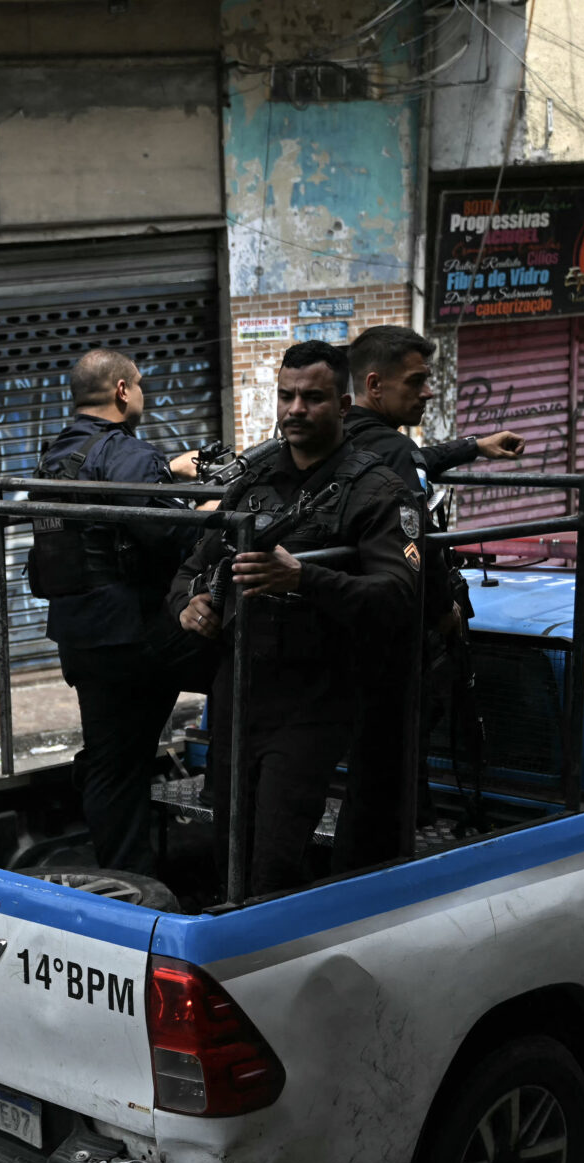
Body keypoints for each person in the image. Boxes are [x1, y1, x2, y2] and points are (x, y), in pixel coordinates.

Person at [169, 341, 418, 895]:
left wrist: (304, 578)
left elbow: (398, 596)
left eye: (313, 398)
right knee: (228, 854)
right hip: (237, 694)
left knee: (274, 860)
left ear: (345, 405)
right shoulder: (251, 483)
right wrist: (190, 604)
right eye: (287, 396)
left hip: (315, 698)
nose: (295, 410)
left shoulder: (377, 490)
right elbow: (191, 567)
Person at [331, 323, 524, 868]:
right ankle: (379, 870)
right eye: (417, 382)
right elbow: (417, 545)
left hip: (349, 628)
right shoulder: (391, 451)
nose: (428, 391)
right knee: (387, 768)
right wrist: (445, 611)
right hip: (396, 633)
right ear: (375, 385)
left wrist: (472, 447)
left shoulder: (345, 435)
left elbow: (414, 459)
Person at [28, 349, 203, 875]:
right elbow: (168, 534)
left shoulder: (56, 457)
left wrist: (168, 475)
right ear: (123, 391)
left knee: (112, 763)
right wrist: (210, 511)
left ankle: (123, 877)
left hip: (79, 637)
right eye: (141, 386)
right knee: (248, 671)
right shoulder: (128, 452)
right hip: (136, 636)